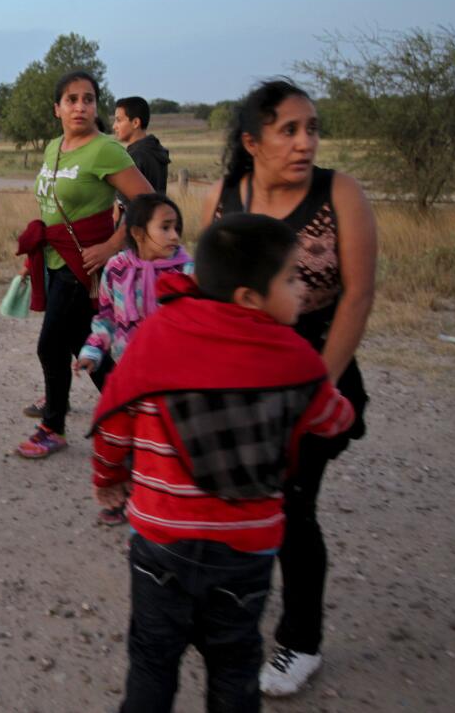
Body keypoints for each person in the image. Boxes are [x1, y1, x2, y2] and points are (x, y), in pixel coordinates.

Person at [91, 213, 357, 712]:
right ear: (249, 298)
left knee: (151, 664)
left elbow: (113, 423)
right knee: (235, 671)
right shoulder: (294, 357)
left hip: (161, 542)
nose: (303, 288)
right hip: (243, 551)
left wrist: (108, 479)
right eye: (292, 278)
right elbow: (335, 418)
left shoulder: (156, 336)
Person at [201, 78, 376, 697]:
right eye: (289, 130)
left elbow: (356, 294)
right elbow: (207, 296)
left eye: (312, 129)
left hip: (318, 370)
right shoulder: (227, 197)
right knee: (233, 502)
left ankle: (300, 642)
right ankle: (227, 619)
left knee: (291, 506)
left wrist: (316, 388)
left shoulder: (339, 193)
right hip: (240, 379)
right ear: (253, 141)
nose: (306, 143)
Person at [14, 71, 154, 458]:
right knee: (82, 344)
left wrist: (112, 244)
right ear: (57, 108)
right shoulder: (53, 147)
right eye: (72, 99)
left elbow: (147, 201)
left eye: (88, 99)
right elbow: (47, 206)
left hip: (85, 266)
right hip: (55, 259)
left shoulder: (106, 149)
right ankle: (133, 416)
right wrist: (34, 261)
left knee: (49, 346)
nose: (81, 106)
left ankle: (53, 426)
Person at [74, 193, 191, 525]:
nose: (175, 236)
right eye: (166, 228)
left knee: (167, 445)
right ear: (138, 233)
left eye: (176, 227)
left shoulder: (188, 271)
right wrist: (92, 352)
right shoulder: (117, 269)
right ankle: (119, 496)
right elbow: (107, 318)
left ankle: (164, 504)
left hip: (174, 382)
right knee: (120, 442)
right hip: (130, 377)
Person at [112, 96, 171, 195]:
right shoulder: (156, 150)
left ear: (135, 123)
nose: (114, 126)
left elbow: (125, 200)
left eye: (119, 120)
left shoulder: (135, 156)